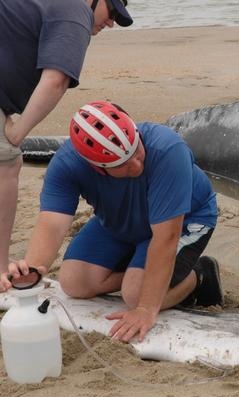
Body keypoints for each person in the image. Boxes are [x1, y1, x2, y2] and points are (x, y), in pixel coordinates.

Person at [0, 101, 222, 343]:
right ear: (98, 169)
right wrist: (30, 274)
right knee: (74, 283)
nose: (137, 165)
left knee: (136, 295)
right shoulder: (66, 166)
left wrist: (146, 309)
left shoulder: (167, 149)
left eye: (137, 152)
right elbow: (52, 224)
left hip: (186, 218)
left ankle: (200, 276)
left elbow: (166, 238)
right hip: (121, 219)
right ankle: (141, 273)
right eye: (123, 165)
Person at [1, 0, 133, 273]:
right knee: (6, 163)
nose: (110, 23)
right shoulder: (75, 9)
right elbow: (56, 80)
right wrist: (18, 133)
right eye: (112, 12)